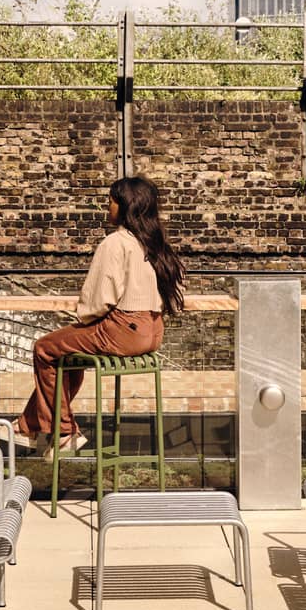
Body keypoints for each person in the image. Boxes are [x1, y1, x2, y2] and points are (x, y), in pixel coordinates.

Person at [16, 175, 185, 453]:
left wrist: (81, 319)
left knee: (45, 348)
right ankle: (29, 424)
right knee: (68, 357)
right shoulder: (153, 243)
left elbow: (99, 300)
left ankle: (63, 431)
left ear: (124, 205)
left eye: (111, 201)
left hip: (123, 329)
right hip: (153, 331)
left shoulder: (116, 242)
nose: (107, 207)